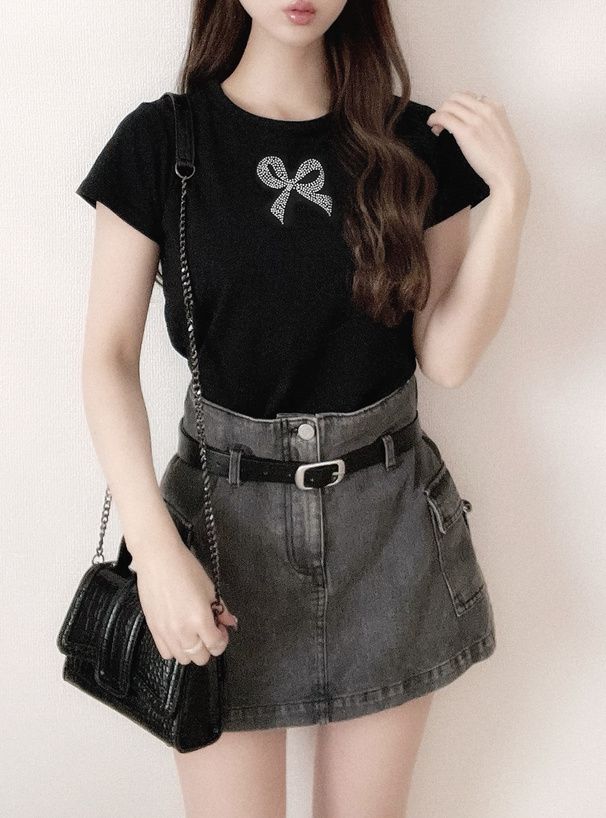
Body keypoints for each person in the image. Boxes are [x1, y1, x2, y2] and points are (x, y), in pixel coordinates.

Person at [75, 1, 531, 815]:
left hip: (384, 529)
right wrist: (154, 549)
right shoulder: (162, 143)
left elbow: (448, 357)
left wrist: (512, 199)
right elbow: (107, 358)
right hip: (220, 534)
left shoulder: (414, 144)